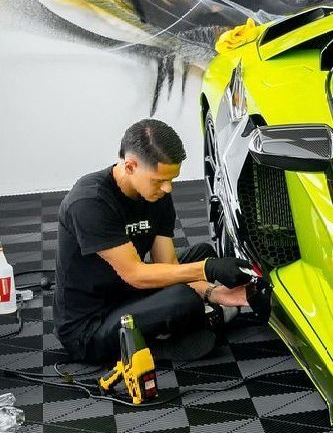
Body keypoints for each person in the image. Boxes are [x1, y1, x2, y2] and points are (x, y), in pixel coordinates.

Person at [54, 118, 250, 366]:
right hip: (89, 328)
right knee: (184, 297)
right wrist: (207, 270)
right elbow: (135, 274)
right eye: (159, 180)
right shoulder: (89, 202)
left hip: (128, 294)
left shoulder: (156, 194)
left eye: (172, 179)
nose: (167, 189)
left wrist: (214, 292)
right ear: (130, 166)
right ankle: (158, 344)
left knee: (202, 253)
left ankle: (184, 322)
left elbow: (167, 263)